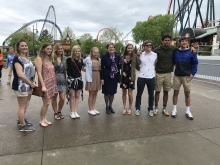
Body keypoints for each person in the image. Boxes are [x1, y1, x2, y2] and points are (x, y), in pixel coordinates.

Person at [153, 35, 196, 116]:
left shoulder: (174, 49)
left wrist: (191, 47)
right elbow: (149, 55)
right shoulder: (157, 50)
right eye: (165, 40)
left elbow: (184, 49)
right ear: (162, 41)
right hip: (160, 73)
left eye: (169, 40)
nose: (167, 42)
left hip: (169, 74)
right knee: (157, 91)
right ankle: (156, 108)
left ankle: (165, 109)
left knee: (166, 92)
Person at [171, 36, 198, 120]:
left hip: (187, 76)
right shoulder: (175, 52)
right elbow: (172, 61)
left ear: (188, 43)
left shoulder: (191, 52)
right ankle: (174, 109)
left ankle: (188, 111)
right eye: (182, 41)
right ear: (179, 43)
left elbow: (195, 63)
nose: (184, 43)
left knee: (187, 94)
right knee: (175, 93)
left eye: (186, 41)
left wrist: (193, 73)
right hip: (177, 76)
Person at [12, 40, 35, 131]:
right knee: (22, 105)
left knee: (26, 104)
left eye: (25, 45)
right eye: (22, 46)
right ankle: (22, 125)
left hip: (29, 85)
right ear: (18, 47)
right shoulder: (17, 58)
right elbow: (20, 74)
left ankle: (21, 120)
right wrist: (30, 82)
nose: (24, 47)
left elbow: (31, 71)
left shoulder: (27, 58)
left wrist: (32, 82)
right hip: (21, 86)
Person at [35, 43, 58, 127]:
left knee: (47, 102)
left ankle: (45, 118)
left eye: (50, 49)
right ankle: (41, 120)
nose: (49, 50)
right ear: (43, 49)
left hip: (51, 83)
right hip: (45, 83)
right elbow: (39, 73)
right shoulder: (39, 59)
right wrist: (43, 85)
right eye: (47, 49)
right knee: (46, 103)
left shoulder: (49, 58)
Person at [135, 40, 157, 117]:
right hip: (142, 76)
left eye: (150, 45)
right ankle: (138, 108)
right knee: (139, 94)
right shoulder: (140, 54)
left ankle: (150, 109)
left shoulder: (155, 55)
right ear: (144, 46)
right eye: (147, 45)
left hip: (151, 77)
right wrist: (137, 55)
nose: (149, 46)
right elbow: (136, 64)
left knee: (151, 94)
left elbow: (155, 64)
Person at [101, 43, 120, 114]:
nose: (111, 48)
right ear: (107, 48)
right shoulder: (104, 56)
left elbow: (118, 67)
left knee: (112, 92)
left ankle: (110, 106)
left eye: (112, 47)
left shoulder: (117, 57)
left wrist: (118, 77)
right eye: (110, 47)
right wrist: (102, 78)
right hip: (106, 76)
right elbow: (102, 68)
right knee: (106, 92)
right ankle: (106, 106)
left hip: (114, 77)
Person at [66, 45, 84, 119]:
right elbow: (66, 69)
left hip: (79, 79)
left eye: (78, 51)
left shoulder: (81, 60)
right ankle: (72, 111)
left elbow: (82, 69)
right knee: (72, 96)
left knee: (77, 95)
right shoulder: (69, 60)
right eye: (76, 51)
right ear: (73, 51)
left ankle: (75, 111)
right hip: (71, 79)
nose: (77, 52)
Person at [120, 44, 137, 115]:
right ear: (126, 49)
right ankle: (124, 108)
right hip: (124, 76)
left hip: (131, 77)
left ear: (133, 49)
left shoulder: (135, 57)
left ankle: (130, 108)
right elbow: (119, 66)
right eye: (128, 48)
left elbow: (139, 65)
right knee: (124, 93)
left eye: (131, 48)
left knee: (130, 94)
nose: (130, 49)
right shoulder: (122, 56)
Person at [51, 43, 67, 120]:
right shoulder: (52, 58)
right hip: (54, 79)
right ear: (56, 50)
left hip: (63, 79)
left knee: (62, 98)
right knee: (54, 97)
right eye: (59, 49)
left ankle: (59, 111)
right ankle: (55, 112)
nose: (60, 50)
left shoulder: (64, 58)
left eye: (61, 49)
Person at [84, 47, 101, 115]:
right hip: (91, 76)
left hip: (97, 75)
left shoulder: (99, 60)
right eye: (95, 52)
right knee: (91, 93)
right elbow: (82, 65)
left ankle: (93, 107)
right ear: (92, 52)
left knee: (96, 92)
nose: (96, 54)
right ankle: (90, 109)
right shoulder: (88, 59)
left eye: (97, 52)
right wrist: (85, 70)